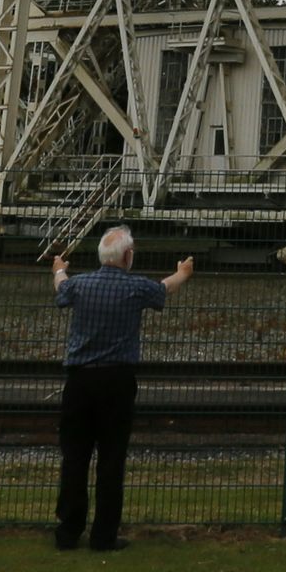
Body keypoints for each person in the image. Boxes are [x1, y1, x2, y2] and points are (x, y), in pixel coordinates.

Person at [48, 225, 192, 550]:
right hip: (117, 383)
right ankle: (103, 536)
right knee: (111, 461)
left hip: (80, 381)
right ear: (127, 256)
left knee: (74, 458)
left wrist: (59, 268)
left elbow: (62, 288)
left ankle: (68, 532)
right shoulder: (136, 288)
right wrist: (183, 272)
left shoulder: (80, 285)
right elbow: (165, 288)